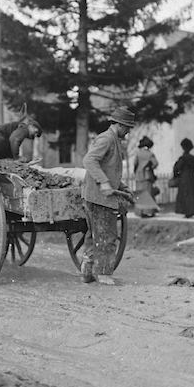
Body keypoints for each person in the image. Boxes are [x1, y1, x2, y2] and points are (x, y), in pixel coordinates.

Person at [80, 107, 135, 285]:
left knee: (94, 235)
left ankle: (87, 271)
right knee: (107, 236)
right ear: (119, 125)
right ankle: (103, 274)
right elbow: (89, 160)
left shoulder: (113, 140)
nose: (128, 132)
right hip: (99, 198)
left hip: (96, 196)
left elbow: (109, 169)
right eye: (127, 127)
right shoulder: (107, 138)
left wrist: (123, 187)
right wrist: (103, 182)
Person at [133, 136, 159, 218]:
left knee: (140, 194)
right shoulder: (150, 154)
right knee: (148, 193)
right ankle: (148, 212)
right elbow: (155, 163)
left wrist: (136, 171)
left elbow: (135, 164)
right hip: (147, 175)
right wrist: (150, 167)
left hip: (139, 175)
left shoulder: (138, 153)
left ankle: (140, 212)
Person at [173, 137, 194, 218]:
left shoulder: (182, 158)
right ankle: (192, 211)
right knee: (191, 194)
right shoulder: (193, 158)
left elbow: (177, 168)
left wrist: (176, 175)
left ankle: (186, 211)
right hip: (191, 177)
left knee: (185, 195)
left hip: (184, 178)